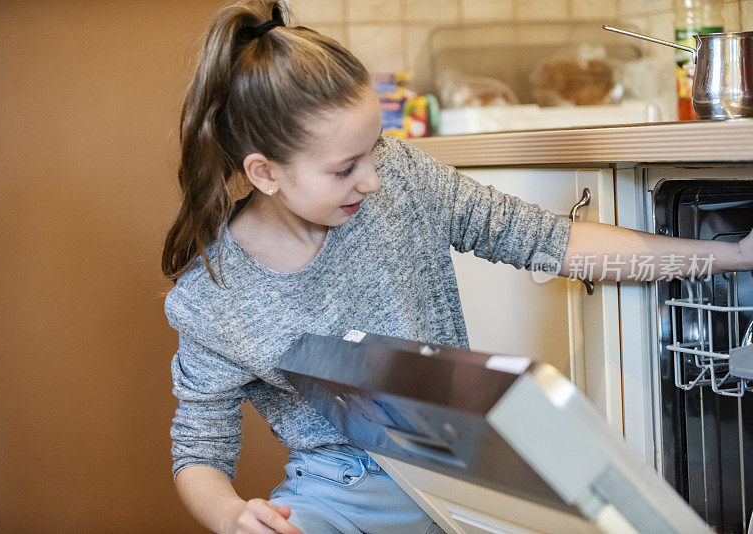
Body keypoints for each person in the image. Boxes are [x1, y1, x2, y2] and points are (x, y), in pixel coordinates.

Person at [160, 1, 753, 533]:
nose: (371, 178)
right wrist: (235, 514)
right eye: (345, 168)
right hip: (339, 502)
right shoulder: (214, 300)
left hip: (468, 480)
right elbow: (198, 455)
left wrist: (733, 255)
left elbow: (551, 240)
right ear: (265, 173)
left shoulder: (401, 181)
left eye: (376, 148)